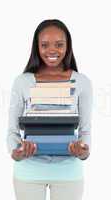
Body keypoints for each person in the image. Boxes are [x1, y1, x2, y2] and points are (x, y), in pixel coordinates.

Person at [7, 19, 93, 200]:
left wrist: (84, 152)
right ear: (36, 47)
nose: (52, 51)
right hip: (28, 172)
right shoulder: (23, 81)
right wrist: (16, 152)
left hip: (68, 173)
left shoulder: (81, 82)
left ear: (67, 46)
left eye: (59, 45)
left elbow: (85, 131)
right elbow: (12, 131)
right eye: (44, 45)